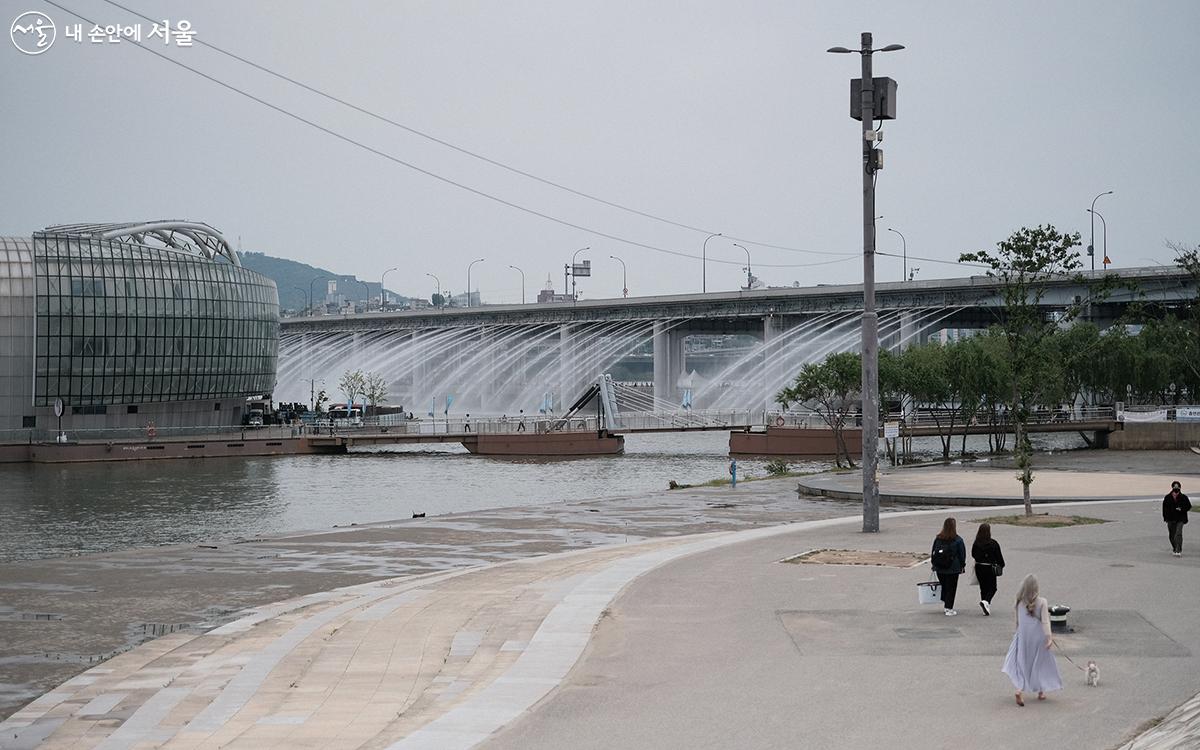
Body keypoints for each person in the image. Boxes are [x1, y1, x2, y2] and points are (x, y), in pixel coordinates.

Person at [1002, 574, 1062, 706]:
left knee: (1021, 663)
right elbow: (1045, 622)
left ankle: (1019, 689)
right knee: (1040, 663)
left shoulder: (1019, 602)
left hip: (1023, 636)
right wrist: (1049, 637)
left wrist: (1017, 634)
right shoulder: (1042, 602)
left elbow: (1018, 621)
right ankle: (1041, 691)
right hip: (1038, 637)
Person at [930, 517, 966, 616]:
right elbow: (962, 554)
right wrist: (962, 565)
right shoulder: (958, 540)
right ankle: (948, 607)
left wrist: (934, 564)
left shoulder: (938, 538)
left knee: (945, 586)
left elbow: (933, 552)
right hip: (953, 568)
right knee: (952, 588)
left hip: (939, 567)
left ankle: (946, 602)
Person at [971, 523, 1006, 616]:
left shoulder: (976, 543)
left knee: (983, 588)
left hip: (979, 567)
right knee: (993, 588)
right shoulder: (993, 543)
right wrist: (1001, 565)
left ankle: (985, 605)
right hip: (990, 567)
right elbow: (999, 556)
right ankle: (986, 601)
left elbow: (973, 554)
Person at [1163, 480, 1191, 557]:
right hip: (1170, 519)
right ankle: (1175, 547)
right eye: (1175, 487)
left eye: (1177, 488)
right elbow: (1164, 508)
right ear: (1172, 488)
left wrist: (1181, 509)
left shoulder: (1184, 497)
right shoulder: (1167, 497)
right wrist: (1165, 517)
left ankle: (1178, 549)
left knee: (1178, 534)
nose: (1176, 489)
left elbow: (1188, 506)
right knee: (1171, 535)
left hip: (1180, 518)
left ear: (1180, 488)